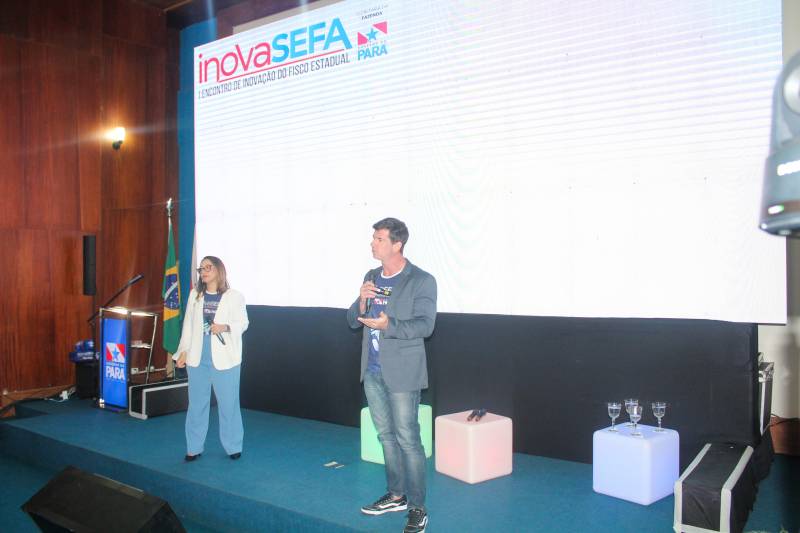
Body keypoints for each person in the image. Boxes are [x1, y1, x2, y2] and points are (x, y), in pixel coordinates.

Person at [347, 218, 437, 533]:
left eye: (379, 239)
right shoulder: (371, 276)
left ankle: (418, 508)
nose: (373, 243)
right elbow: (352, 320)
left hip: (402, 372)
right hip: (372, 370)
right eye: (373, 238)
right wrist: (361, 300)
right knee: (385, 436)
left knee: (408, 439)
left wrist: (390, 326)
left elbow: (426, 325)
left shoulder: (421, 280)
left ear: (397, 244)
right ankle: (396, 495)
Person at [174, 256, 249, 461]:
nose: (204, 272)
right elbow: (188, 326)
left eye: (208, 267)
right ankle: (194, 447)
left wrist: (225, 327)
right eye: (201, 268)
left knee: (228, 404)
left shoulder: (234, 296)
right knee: (196, 404)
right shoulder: (195, 295)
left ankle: (233, 445)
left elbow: (243, 323)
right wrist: (183, 351)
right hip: (198, 358)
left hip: (226, 359)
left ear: (219, 270)